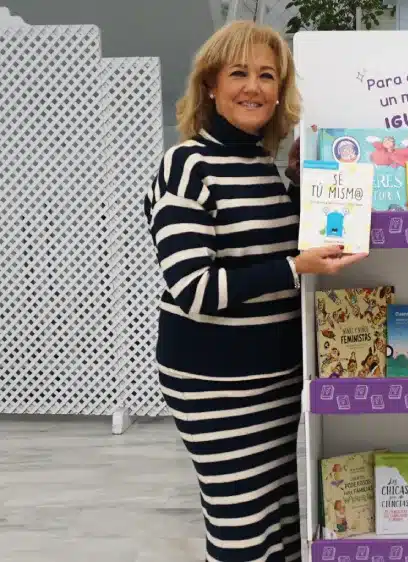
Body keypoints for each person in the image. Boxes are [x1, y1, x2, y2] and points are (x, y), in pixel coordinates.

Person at [143, 21, 365, 561]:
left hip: (276, 377)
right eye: (239, 72)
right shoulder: (187, 165)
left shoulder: (267, 170)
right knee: (239, 526)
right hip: (212, 382)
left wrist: (303, 190)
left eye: (267, 75)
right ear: (211, 85)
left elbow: (290, 249)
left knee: (281, 521)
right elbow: (193, 286)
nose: (254, 87)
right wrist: (294, 267)